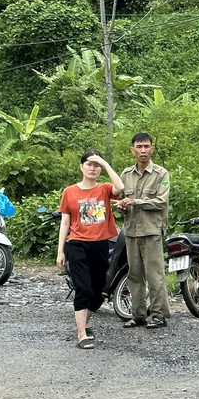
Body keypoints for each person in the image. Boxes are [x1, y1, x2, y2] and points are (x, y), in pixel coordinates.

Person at [57, 149, 124, 349]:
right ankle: (81, 334)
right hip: (77, 243)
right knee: (83, 288)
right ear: (81, 167)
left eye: (96, 165)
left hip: (101, 244)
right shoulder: (70, 192)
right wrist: (60, 250)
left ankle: (86, 322)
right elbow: (65, 222)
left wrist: (105, 163)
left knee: (98, 290)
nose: (93, 168)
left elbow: (120, 187)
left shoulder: (104, 189)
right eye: (89, 164)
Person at [117, 133, 171, 329]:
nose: (143, 150)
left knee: (154, 275)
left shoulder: (161, 174)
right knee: (134, 275)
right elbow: (123, 198)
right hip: (131, 231)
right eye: (139, 147)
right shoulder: (126, 174)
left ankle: (158, 315)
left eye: (146, 146)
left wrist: (136, 202)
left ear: (152, 149)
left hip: (151, 231)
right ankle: (138, 315)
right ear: (132, 150)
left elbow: (161, 201)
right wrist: (122, 206)